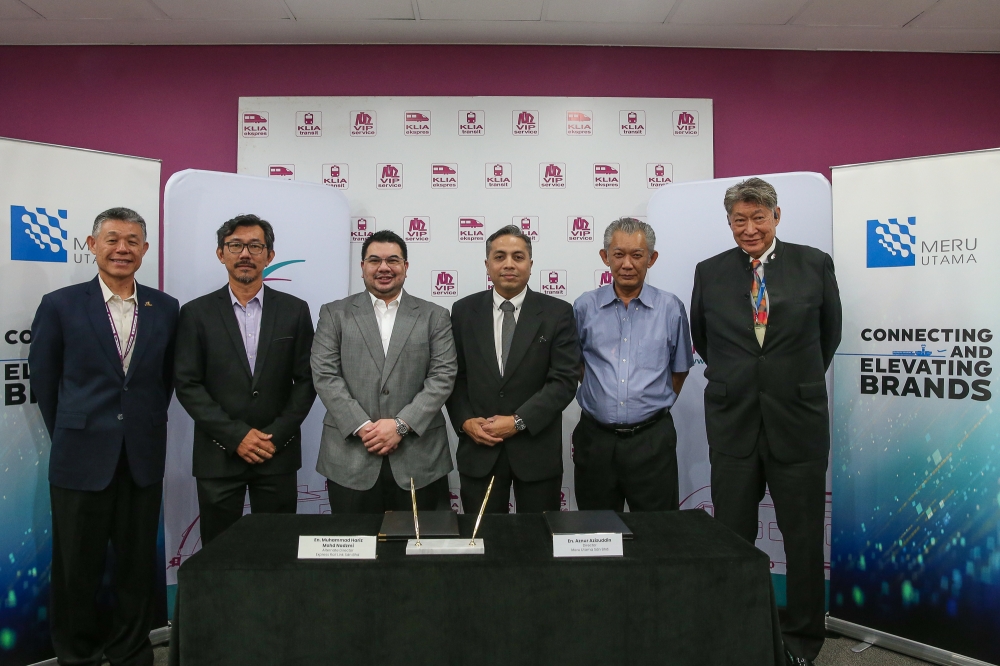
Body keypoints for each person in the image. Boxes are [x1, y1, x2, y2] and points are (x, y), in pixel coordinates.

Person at [690, 177, 842, 666]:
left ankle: (802, 639)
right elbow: (705, 340)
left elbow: (828, 338)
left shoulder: (813, 263)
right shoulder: (709, 272)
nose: (749, 228)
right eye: (740, 219)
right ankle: (737, 630)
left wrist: (784, 382)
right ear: (729, 222)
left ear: (776, 217)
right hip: (734, 423)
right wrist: (744, 382)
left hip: (797, 422)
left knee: (801, 538)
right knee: (733, 536)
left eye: (758, 217)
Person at [29, 207, 178, 666]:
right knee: (77, 569)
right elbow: (45, 382)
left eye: (132, 241)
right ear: (92, 245)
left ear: (145, 250)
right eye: (112, 239)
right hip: (80, 458)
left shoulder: (165, 306)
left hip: (142, 457)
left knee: (136, 567)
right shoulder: (60, 304)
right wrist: (77, 433)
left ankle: (132, 651)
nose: (122, 249)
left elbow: (165, 381)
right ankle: (77, 655)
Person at [173, 214, 316, 545]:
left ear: (270, 255)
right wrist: (236, 436)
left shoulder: (295, 310)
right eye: (235, 245)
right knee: (219, 556)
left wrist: (275, 436)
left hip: (275, 453)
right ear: (221, 253)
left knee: (278, 551)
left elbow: (308, 380)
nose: (245, 254)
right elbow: (188, 384)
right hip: (218, 455)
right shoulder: (196, 313)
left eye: (255, 245)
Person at [311, 230, 456, 512]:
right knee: (354, 549)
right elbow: (325, 375)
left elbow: (443, 376)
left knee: (419, 549)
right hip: (351, 456)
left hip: (420, 457)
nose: (384, 268)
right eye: (374, 260)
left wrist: (400, 425)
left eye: (393, 260)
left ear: (406, 266)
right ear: (363, 266)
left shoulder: (434, 316)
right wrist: (364, 427)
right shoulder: (334, 313)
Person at [447, 225, 580, 513]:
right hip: (479, 448)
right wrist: (465, 421)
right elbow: (454, 377)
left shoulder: (557, 313)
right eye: (500, 256)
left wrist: (518, 421)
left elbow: (564, 381)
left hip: (535, 451)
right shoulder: (463, 311)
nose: (509, 264)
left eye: (518, 257)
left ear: (530, 265)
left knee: (538, 544)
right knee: (482, 542)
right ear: (487, 264)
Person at [572, 217, 693, 511]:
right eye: (618, 254)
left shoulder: (671, 308)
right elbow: (576, 365)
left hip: (652, 440)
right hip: (596, 441)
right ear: (605, 257)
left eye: (637, 255)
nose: (627, 264)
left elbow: (679, 370)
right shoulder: (584, 306)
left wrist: (646, 406)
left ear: (651, 259)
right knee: (596, 534)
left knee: (657, 535)